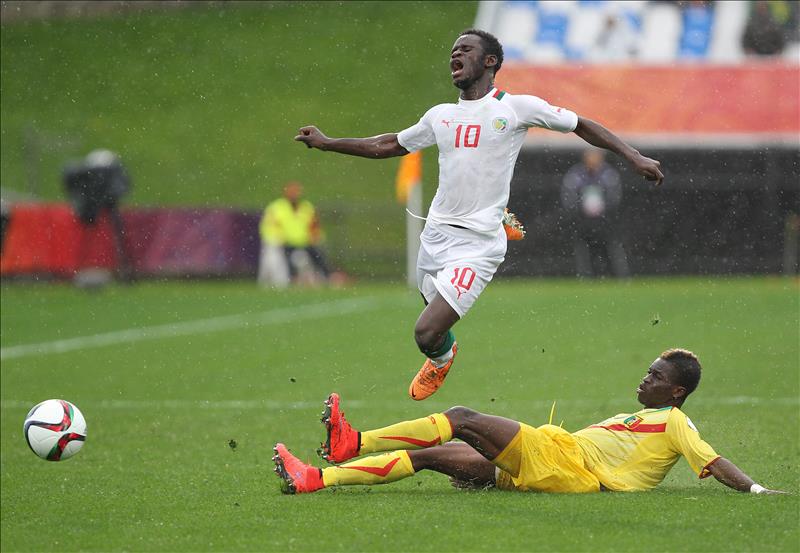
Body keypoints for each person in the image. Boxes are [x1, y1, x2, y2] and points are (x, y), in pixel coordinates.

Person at [295, 29, 664, 401]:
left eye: (466, 49)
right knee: (434, 332)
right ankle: (445, 350)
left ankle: (440, 359)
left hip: (478, 245)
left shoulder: (515, 107)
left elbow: (581, 124)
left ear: (490, 62)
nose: (455, 55)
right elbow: (390, 144)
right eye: (453, 50)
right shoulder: (440, 116)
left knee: (424, 332)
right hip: (436, 236)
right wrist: (328, 143)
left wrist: (634, 156)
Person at [273, 348, 785, 496]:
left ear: (676, 391)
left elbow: (713, 461)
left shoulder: (674, 421)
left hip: (563, 465)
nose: (642, 380)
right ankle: (317, 478)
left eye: (653, 376)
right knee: (430, 458)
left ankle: (350, 441)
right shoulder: (649, 414)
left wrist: (759, 491)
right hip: (551, 462)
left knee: (461, 417)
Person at [561, 149, 630, 278]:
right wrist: (580, 209)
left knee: (611, 245)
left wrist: (604, 209)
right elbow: (568, 196)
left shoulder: (608, 175)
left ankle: (617, 275)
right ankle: (585, 275)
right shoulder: (576, 175)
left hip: (605, 220)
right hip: (583, 220)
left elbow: (615, 196)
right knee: (583, 247)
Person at [258, 181, 331, 288]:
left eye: (296, 191)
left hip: (304, 242)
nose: (294, 194)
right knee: (284, 260)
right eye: (292, 191)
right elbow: (268, 226)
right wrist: (278, 238)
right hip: (285, 242)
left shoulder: (306, 207)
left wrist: (315, 236)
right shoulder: (277, 207)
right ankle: (290, 280)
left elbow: (314, 226)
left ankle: (326, 278)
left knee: (318, 256)